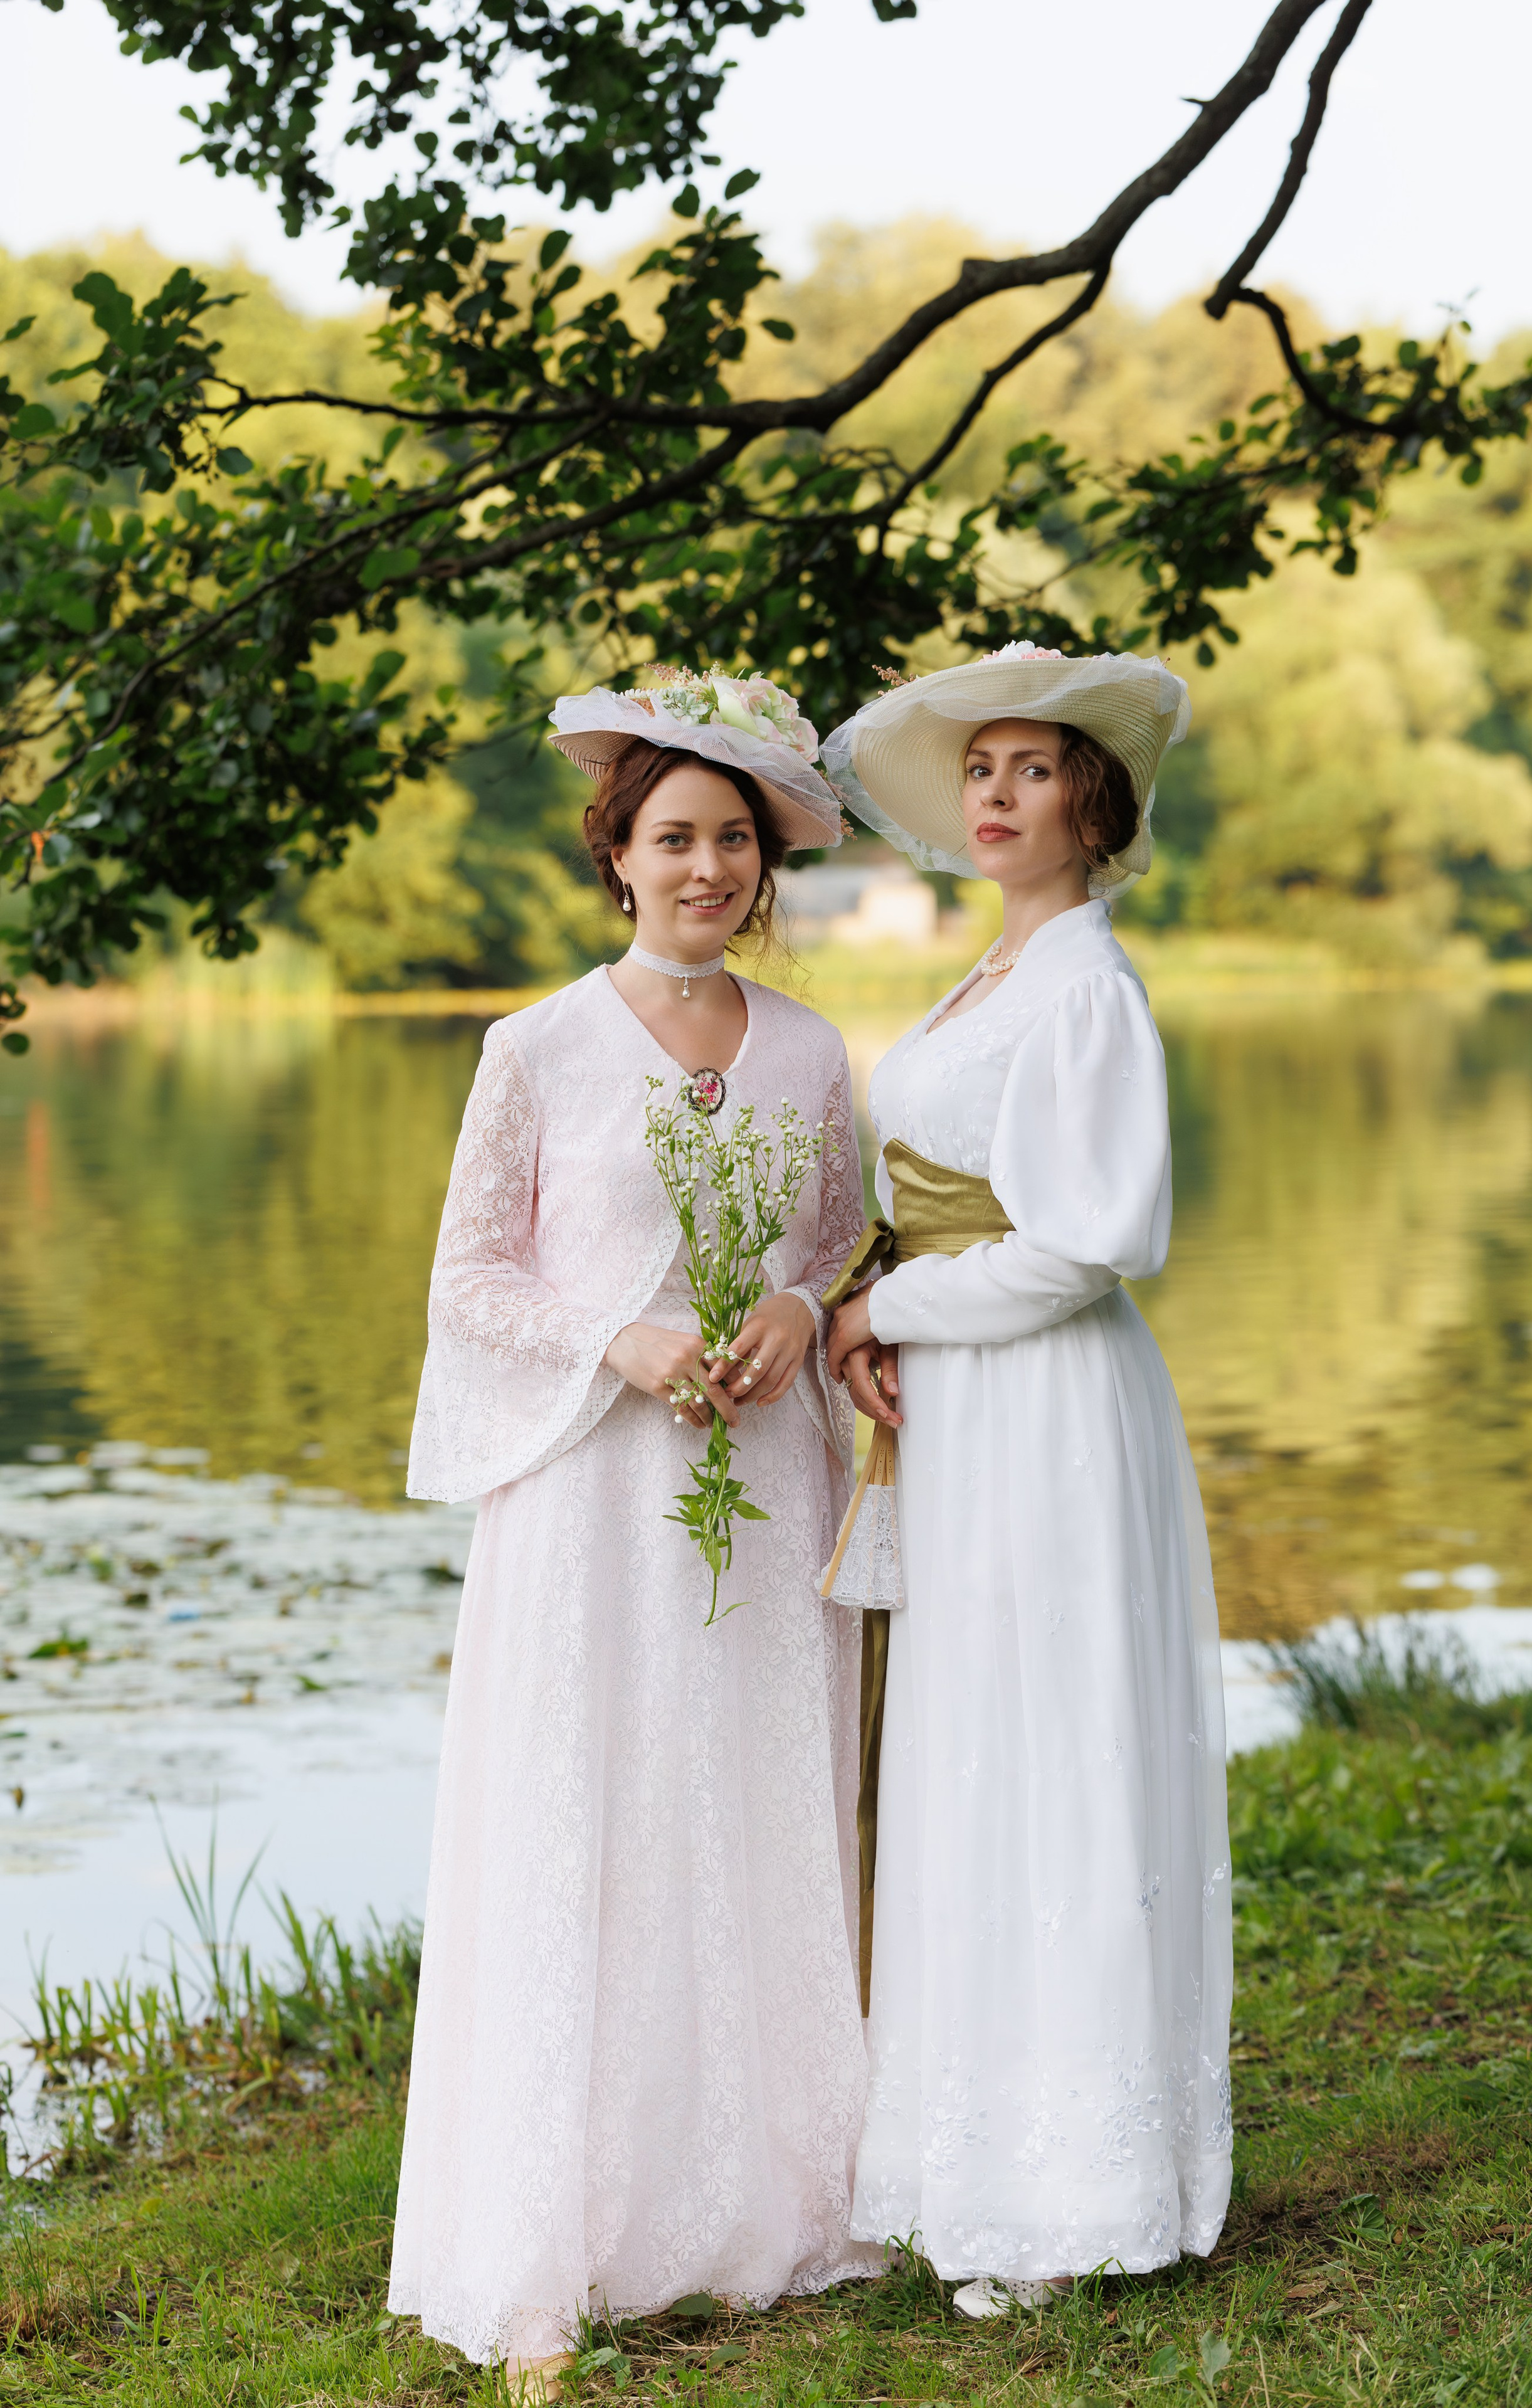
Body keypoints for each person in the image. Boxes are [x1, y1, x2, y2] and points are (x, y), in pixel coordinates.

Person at [388, 672, 875, 2395]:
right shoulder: (533, 1049)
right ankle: (548, 2248)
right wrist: (624, 1335)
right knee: (583, 1825)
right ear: (618, 857)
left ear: (765, 866)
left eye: (734, 840)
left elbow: (841, 1249)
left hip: (763, 1498)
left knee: (752, 1818)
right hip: (594, 1499)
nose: (707, 868)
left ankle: (766, 2214)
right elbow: (469, 1281)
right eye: (675, 837)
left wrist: (802, 1321)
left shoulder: (817, 1052)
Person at [821, 645, 1233, 2313]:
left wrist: (886, 1305)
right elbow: (939, 1190)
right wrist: (867, 1305)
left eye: (1032, 770)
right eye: (978, 770)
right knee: (967, 1755)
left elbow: (1087, 1239)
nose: (996, 796)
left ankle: (1073, 2193)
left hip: (1048, 1407)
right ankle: (974, 2167)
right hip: (965, 1410)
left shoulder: (1087, 988)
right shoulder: (987, 977)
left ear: (1092, 802)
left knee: (1051, 1756)